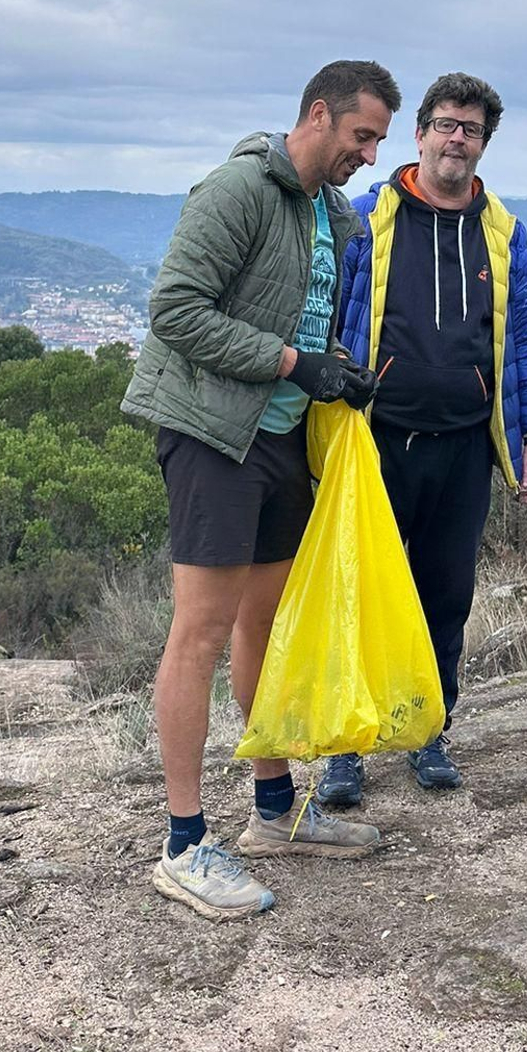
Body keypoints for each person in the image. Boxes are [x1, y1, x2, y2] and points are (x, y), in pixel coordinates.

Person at [121, 61, 399, 921]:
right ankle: (181, 842)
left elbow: (308, 321)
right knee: (199, 630)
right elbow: (176, 309)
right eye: (362, 135)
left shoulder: (333, 212)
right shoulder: (239, 188)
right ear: (318, 114)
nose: (368, 153)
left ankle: (275, 813)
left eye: (378, 140)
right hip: (212, 431)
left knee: (267, 626)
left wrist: (335, 375)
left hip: (279, 436)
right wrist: (290, 364)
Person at [318, 73, 527, 806]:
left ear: (485, 143)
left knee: (444, 595)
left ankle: (427, 728)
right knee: (359, 592)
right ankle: (346, 748)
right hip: (376, 438)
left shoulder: (503, 231)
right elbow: (327, 317)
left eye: (472, 129)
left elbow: (522, 335)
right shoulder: (365, 218)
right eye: (447, 124)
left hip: (463, 445)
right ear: (419, 132)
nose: (458, 138)